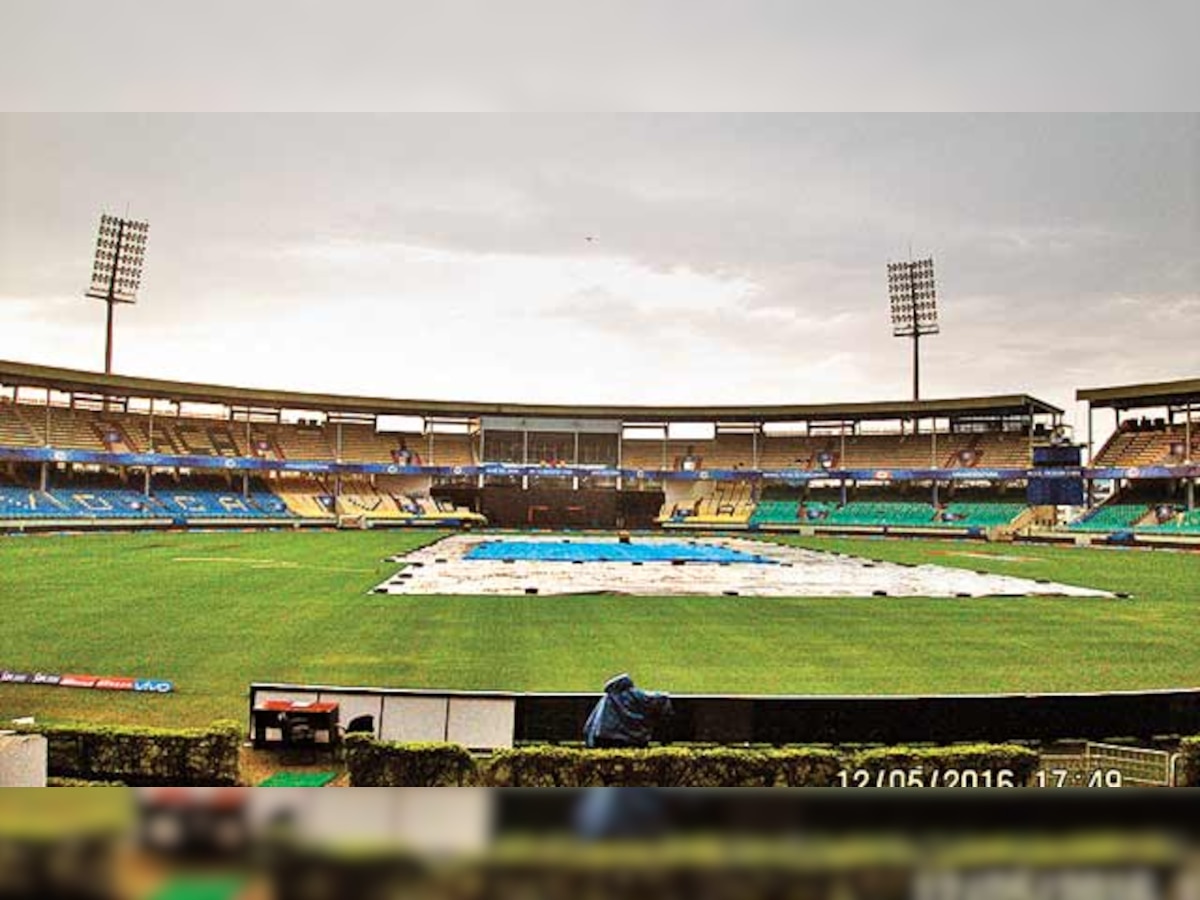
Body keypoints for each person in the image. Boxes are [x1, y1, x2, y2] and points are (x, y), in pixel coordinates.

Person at [583, 673, 672, 748]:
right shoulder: (637, 695)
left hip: (606, 741)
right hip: (634, 741)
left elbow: (590, 727)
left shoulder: (606, 701)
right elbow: (661, 699)